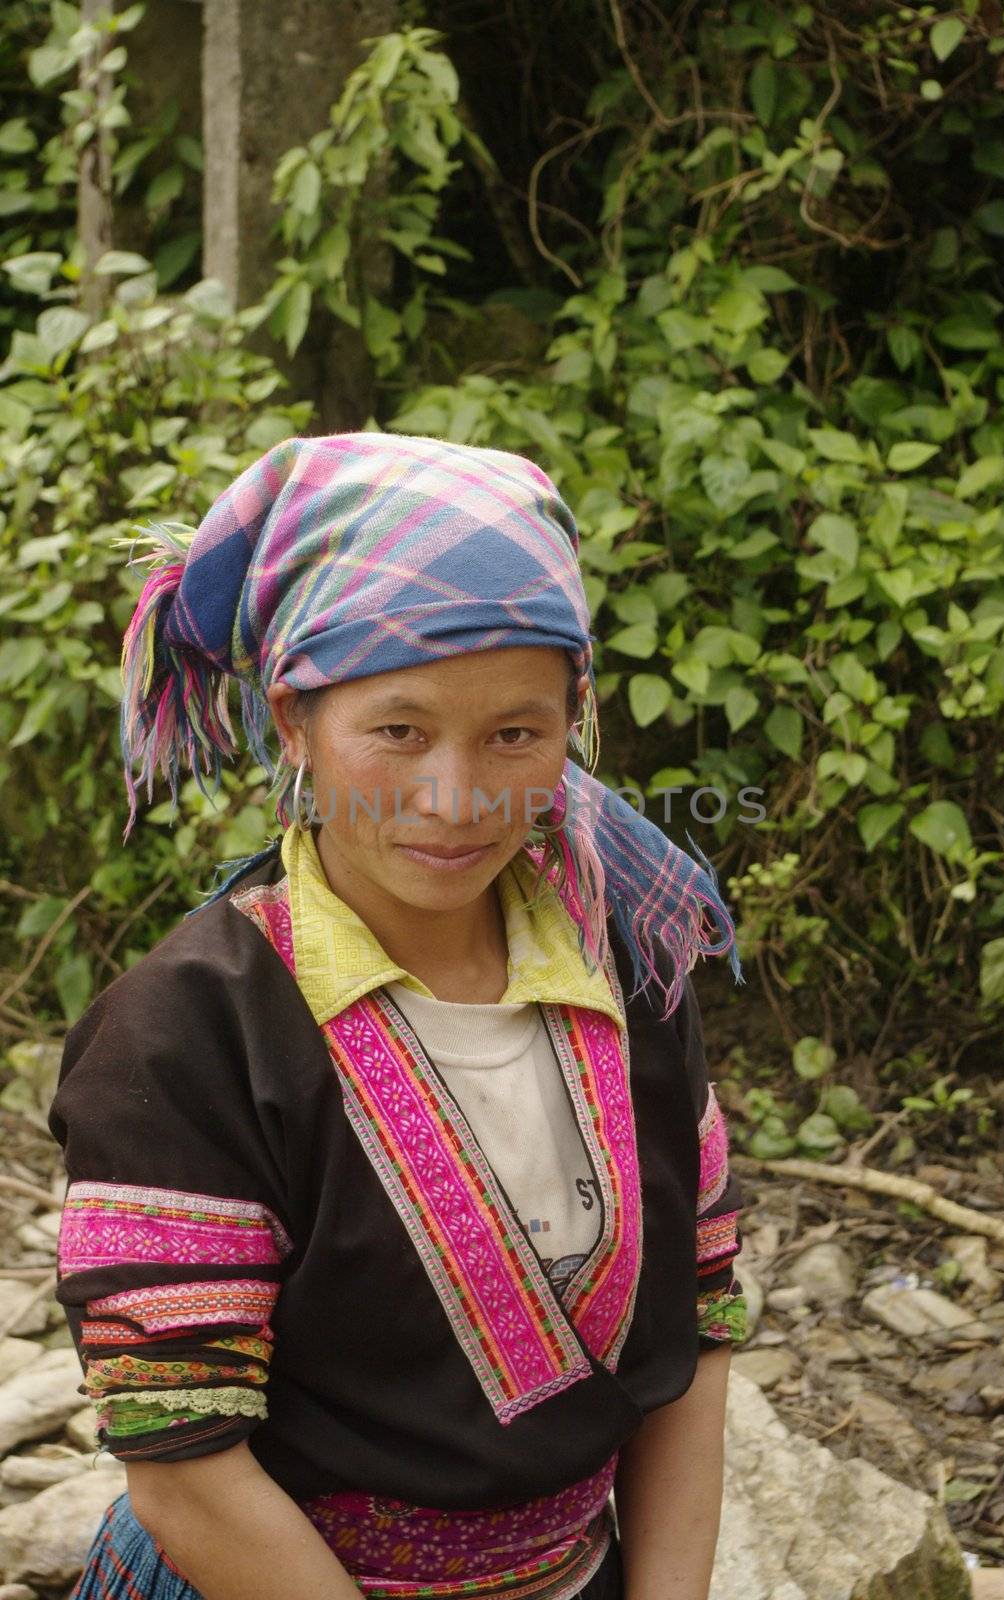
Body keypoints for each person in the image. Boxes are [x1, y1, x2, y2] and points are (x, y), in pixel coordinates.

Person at [48, 432, 747, 1600]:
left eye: (515, 734)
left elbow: (700, 1320)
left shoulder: (631, 963)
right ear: (294, 720)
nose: (457, 797)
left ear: (574, 716)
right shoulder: (183, 1035)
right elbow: (185, 1468)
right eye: (399, 731)